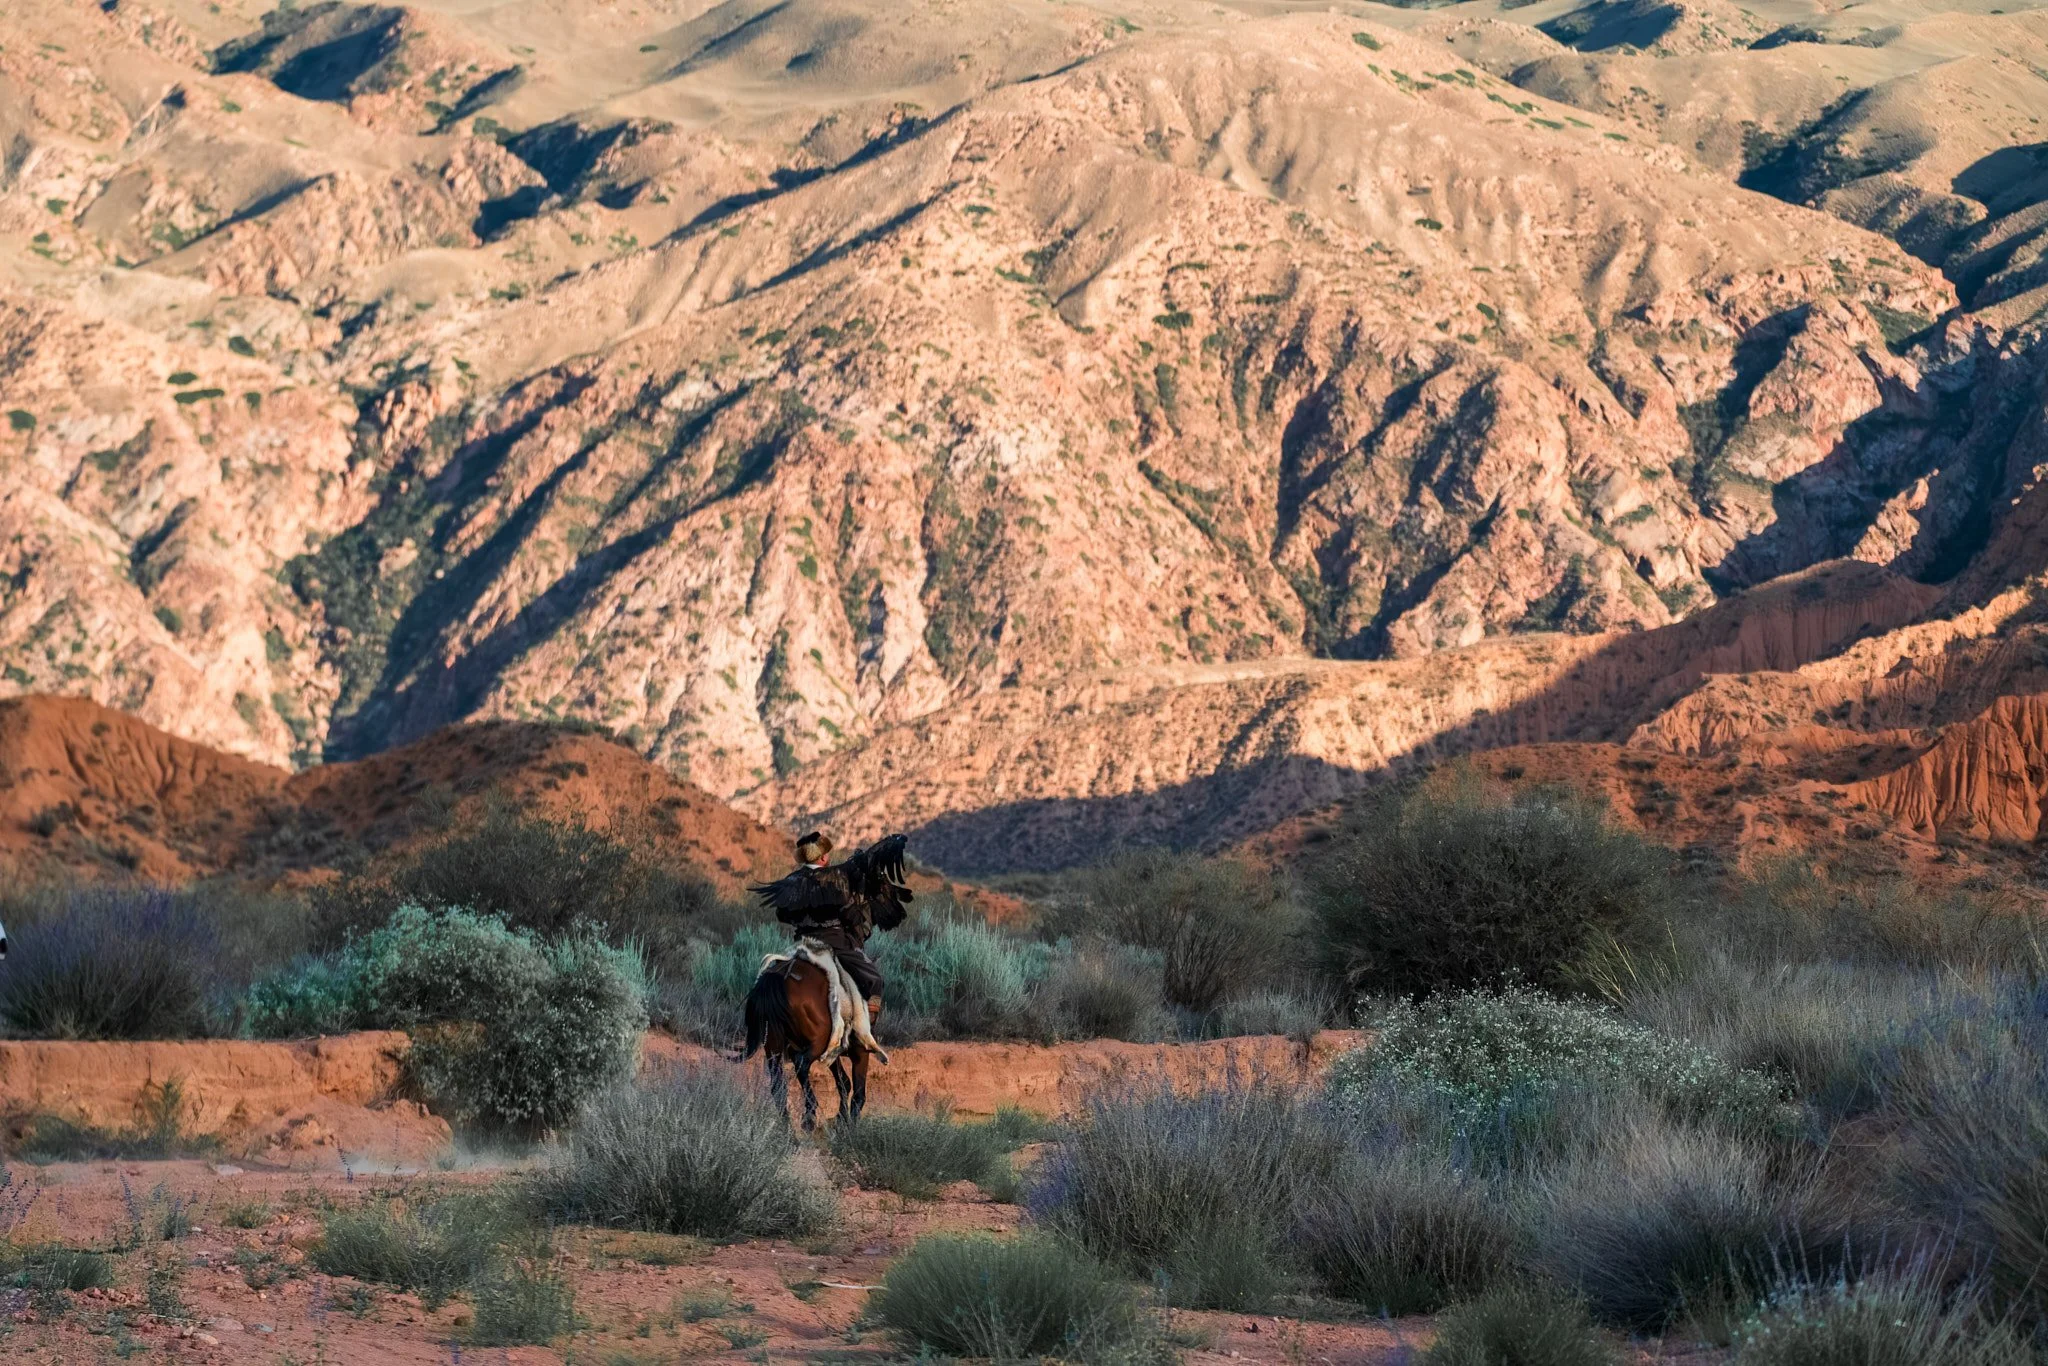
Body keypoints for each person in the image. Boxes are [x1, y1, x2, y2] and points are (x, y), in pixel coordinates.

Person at [751, 830, 910, 1029]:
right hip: (835, 941)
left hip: (803, 942)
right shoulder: (838, 875)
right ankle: (865, 1029)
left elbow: (783, 915)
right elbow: (848, 910)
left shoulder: (790, 882)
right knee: (874, 980)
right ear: (824, 856)